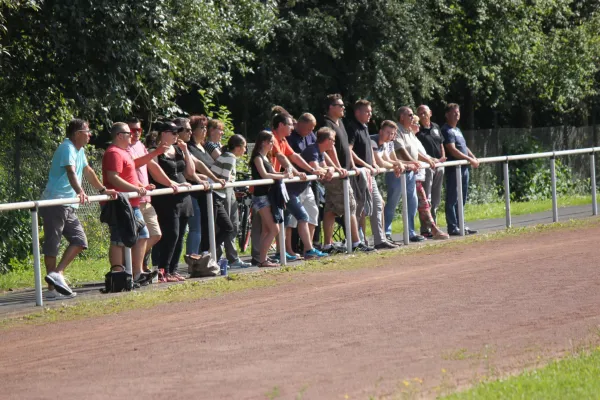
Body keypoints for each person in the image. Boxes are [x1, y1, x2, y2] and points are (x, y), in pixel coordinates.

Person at [40, 119, 117, 300]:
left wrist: (103, 190)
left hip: (68, 204)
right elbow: (70, 171)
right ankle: (51, 290)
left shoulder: (80, 150)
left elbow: (88, 171)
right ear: (77, 134)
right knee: (53, 245)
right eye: (87, 131)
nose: (89, 134)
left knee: (80, 240)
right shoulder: (67, 147)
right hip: (55, 202)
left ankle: (57, 274)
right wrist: (80, 191)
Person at [150, 121, 208, 282]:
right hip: (166, 198)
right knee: (171, 234)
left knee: (181, 234)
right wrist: (172, 184)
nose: (177, 136)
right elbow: (156, 173)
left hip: (183, 197)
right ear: (163, 134)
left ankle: (173, 269)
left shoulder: (177, 149)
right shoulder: (154, 151)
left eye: (177, 133)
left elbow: (189, 172)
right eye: (173, 133)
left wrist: (185, 152)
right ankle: (163, 269)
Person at [102, 122, 154, 284]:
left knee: (143, 235)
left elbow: (129, 177)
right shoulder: (113, 153)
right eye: (128, 133)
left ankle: (137, 272)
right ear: (119, 135)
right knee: (118, 239)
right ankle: (118, 275)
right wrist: (136, 189)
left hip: (132, 203)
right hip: (119, 203)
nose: (132, 135)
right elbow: (113, 177)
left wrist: (141, 187)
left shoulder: (124, 152)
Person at [322, 94, 375, 253]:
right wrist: (338, 168)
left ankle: (327, 245)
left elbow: (346, 150)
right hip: (338, 174)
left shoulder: (340, 123)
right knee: (350, 206)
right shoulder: (327, 124)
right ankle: (356, 242)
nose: (344, 108)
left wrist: (353, 167)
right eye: (340, 105)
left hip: (345, 172)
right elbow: (329, 150)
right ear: (331, 107)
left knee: (331, 210)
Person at [126, 117, 179, 274]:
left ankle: (133, 260)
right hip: (133, 199)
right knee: (140, 237)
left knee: (155, 235)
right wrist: (156, 152)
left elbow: (153, 166)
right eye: (133, 130)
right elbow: (133, 164)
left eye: (139, 130)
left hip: (146, 198)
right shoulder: (123, 148)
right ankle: (132, 266)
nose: (136, 133)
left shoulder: (140, 145)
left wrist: (171, 183)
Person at [172, 117, 229, 259]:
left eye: (191, 130)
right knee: (190, 230)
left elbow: (199, 165)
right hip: (190, 193)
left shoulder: (189, 147)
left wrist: (215, 179)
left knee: (201, 229)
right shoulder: (183, 147)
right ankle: (192, 261)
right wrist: (203, 179)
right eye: (187, 130)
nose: (190, 133)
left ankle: (201, 257)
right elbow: (190, 172)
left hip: (203, 193)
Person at [345, 99, 396, 250]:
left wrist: (372, 164)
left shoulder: (365, 127)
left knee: (378, 203)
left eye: (370, 111)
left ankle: (379, 240)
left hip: (368, 173)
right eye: (366, 111)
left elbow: (369, 151)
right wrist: (366, 166)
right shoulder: (352, 127)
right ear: (357, 112)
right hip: (359, 173)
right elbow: (349, 150)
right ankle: (360, 240)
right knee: (360, 208)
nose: (370, 114)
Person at [385, 106, 434, 243]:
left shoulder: (409, 131)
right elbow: (400, 150)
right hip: (398, 172)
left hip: (411, 172)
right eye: (410, 115)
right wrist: (413, 161)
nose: (413, 117)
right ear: (402, 117)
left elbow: (415, 151)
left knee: (412, 202)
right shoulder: (397, 130)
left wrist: (426, 159)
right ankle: (386, 232)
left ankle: (411, 232)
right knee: (393, 202)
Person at [249, 131, 287, 268]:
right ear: (263, 142)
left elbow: (271, 173)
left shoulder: (265, 158)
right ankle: (262, 260)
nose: (272, 145)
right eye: (271, 142)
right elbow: (264, 175)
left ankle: (263, 259)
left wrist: (283, 174)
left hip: (268, 196)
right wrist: (281, 176)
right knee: (274, 229)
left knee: (267, 230)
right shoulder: (257, 158)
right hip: (261, 197)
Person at [441, 103, 479, 236]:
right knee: (452, 198)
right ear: (447, 114)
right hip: (454, 169)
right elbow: (452, 149)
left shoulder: (457, 130)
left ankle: (460, 224)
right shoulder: (446, 130)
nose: (457, 114)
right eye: (454, 112)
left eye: (458, 112)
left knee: (462, 198)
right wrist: (469, 159)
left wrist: (473, 157)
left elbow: (464, 146)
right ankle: (452, 226)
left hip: (464, 169)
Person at [409, 116, 449, 240]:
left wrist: (435, 160)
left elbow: (424, 155)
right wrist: (429, 160)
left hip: (420, 176)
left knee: (422, 204)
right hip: (415, 176)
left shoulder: (414, 138)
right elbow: (417, 154)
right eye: (415, 123)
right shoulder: (410, 138)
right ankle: (432, 229)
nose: (418, 126)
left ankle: (418, 231)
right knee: (424, 204)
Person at [210, 134, 248, 264]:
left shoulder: (227, 156)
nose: (245, 150)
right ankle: (229, 258)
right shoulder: (230, 157)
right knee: (229, 225)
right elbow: (225, 178)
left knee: (229, 225)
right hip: (223, 193)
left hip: (224, 192)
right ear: (238, 147)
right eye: (244, 147)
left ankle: (223, 256)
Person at [416, 105, 446, 232]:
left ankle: (434, 225)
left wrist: (443, 157)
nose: (423, 115)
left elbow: (441, 143)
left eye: (424, 112)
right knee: (425, 198)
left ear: (430, 113)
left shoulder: (436, 127)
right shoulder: (417, 130)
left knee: (436, 198)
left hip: (439, 165)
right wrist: (430, 161)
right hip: (426, 167)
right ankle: (425, 228)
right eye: (420, 113)